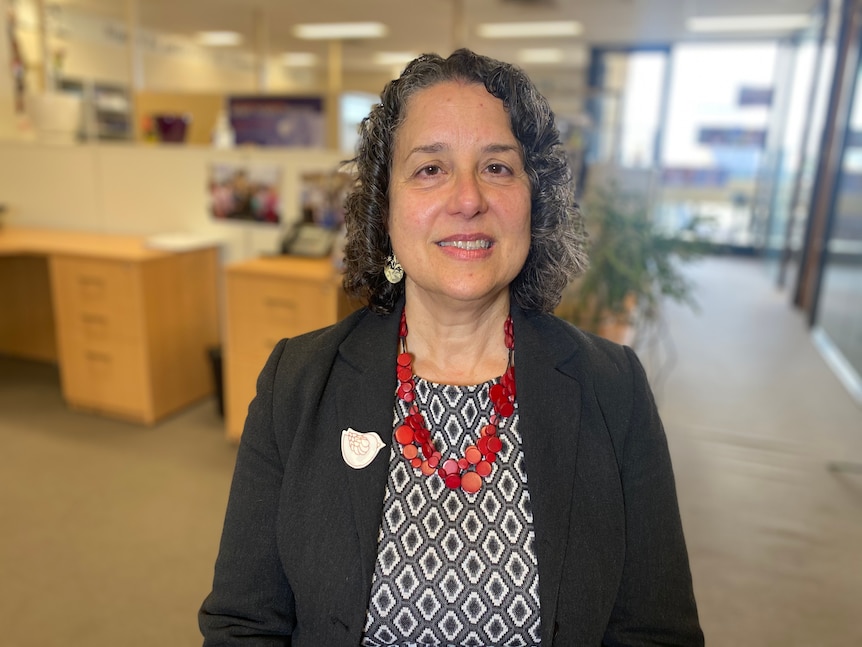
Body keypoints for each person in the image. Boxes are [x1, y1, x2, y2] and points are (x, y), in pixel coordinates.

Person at [199, 48, 703, 646]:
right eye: (430, 169)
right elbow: (244, 625)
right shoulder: (298, 381)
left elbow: (655, 633)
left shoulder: (613, 387)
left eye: (496, 167)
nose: (468, 199)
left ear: (532, 200)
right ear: (385, 208)